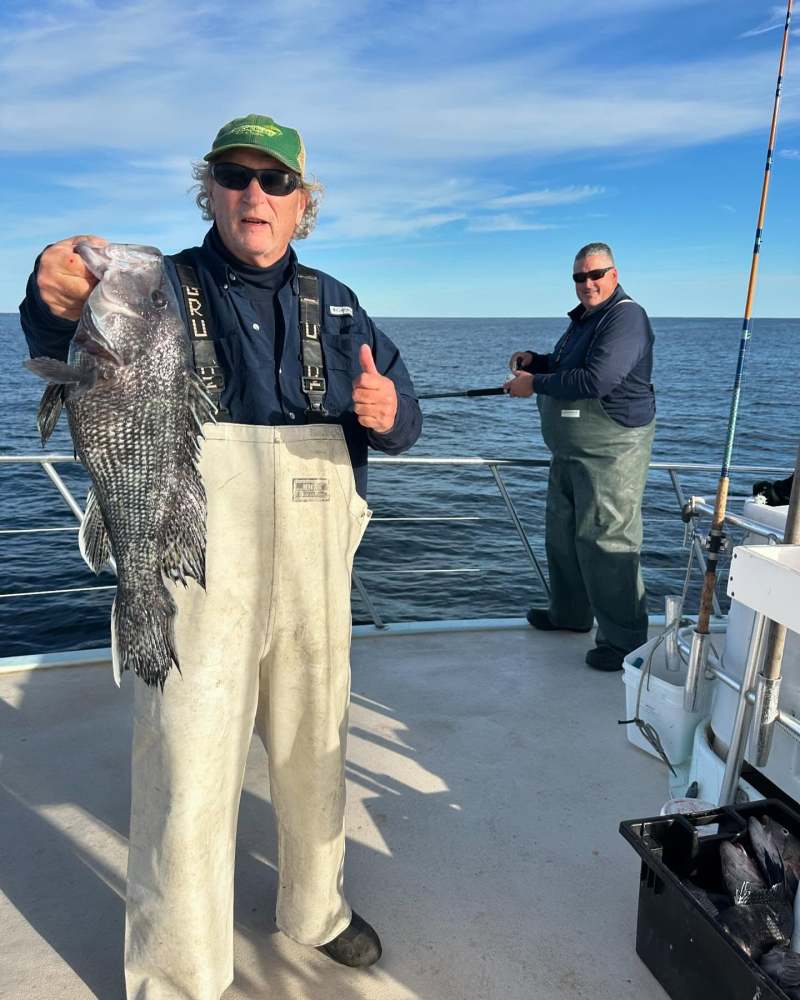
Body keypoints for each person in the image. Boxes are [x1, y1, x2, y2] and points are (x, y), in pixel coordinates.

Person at [19, 114, 422, 999]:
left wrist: (393, 415)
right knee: (188, 764)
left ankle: (316, 912)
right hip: (192, 564)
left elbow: (402, 414)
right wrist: (47, 293)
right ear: (208, 189)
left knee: (319, 745)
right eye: (235, 177)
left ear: (303, 203)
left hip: (316, 576)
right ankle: (175, 969)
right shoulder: (159, 286)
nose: (255, 195)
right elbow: (62, 347)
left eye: (276, 182)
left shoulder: (340, 303)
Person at [505, 242, 655, 673]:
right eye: (578, 277)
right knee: (565, 534)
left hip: (611, 452)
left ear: (613, 273)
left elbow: (597, 379)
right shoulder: (587, 321)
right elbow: (571, 364)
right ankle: (569, 614)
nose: (587, 284)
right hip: (570, 451)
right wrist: (539, 361)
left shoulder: (627, 317)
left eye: (595, 275)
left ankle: (624, 644)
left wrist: (533, 384)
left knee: (608, 541)